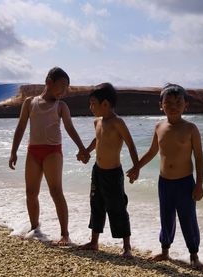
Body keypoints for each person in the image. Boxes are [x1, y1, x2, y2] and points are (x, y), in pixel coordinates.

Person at [126, 83, 203, 270]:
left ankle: (194, 255)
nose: (173, 106)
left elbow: (199, 158)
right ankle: (165, 250)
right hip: (164, 182)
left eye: (178, 102)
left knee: (188, 219)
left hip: (185, 182)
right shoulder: (159, 126)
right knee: (166, 217)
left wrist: (199, 184)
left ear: (186, 105)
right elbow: (153, 151)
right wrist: (137, 166)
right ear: (161, 106)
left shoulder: (191, 128)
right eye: (168, 102)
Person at [9, 67, 87, 246]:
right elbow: (21, 127)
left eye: (67, 87)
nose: (64, 91)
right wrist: (13, 151)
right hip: (33, 152)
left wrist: (82, 148)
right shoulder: (30, 102)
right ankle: (35, 229)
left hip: (53, 152)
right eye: (62, 86)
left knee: (56, 191)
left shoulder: (61, 106)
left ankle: (65, 234)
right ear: (49, 82)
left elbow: (69, 128)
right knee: (30, 192)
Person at [77, 83, 139, 257]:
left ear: (105, 104)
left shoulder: (118, 122)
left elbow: (131, 145)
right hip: (98, 171)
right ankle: (94, 242)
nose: (90, 107)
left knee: (117, 207)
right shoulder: (97, 121)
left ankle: (127, 246)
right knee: (96, 204)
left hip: (113, 173)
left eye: (93, 103)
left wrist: (136, 167)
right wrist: (86, 152)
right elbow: (97, 140)